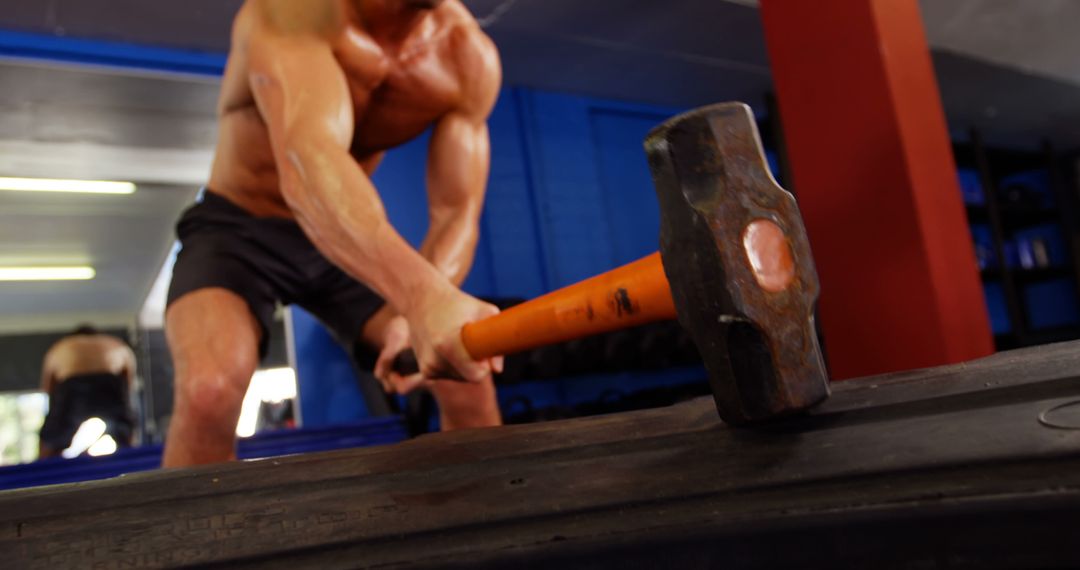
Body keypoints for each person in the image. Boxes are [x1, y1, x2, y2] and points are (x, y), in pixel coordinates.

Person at [163, 0, 505, 467]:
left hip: (346, 232)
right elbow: (308, 162)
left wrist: (422, 310)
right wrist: (420, 296)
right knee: (210, 390)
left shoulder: (466, 57)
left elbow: (455, 212)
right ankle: (194, 538)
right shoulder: (293, 13)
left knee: (465, 372)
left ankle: (485, 532)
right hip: (237, 230)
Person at [38, 325, 137, 459]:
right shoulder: (116, 344)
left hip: (72, 384)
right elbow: (128, 385)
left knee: (51, 441)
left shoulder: (62, 346)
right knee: (124, 435)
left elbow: (48, 389)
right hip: (110, 383)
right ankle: (132, 463)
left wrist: (54, 427)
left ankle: (44, 473)